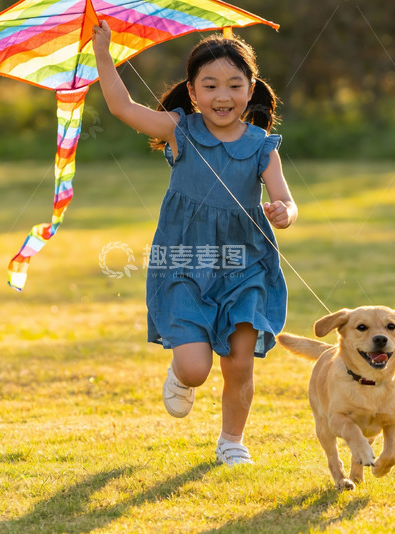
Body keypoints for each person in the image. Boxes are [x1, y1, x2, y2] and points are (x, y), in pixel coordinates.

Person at [92, 20, 297, 466]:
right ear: (192, 91)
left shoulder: (263, 146)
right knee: (195, 369)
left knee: (240, 359)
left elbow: (284, 199)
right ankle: (181, 375)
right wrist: (104, 54)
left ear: (250, 89)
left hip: (245, 265)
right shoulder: (180, 131)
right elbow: (123, 107)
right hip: (186, 260)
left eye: (234, 85)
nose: (222, 96)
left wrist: (283, 212)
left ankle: (231, 440)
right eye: (210, 86)